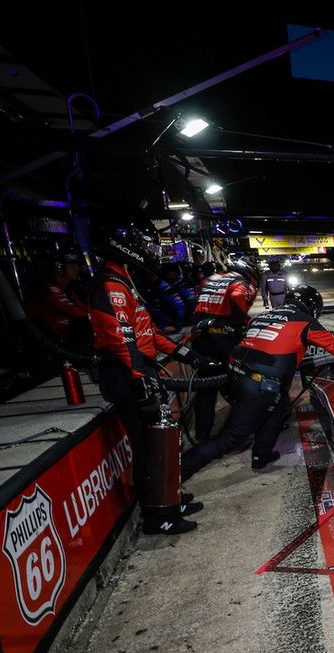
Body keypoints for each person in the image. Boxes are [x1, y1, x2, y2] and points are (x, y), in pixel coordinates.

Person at [88, 214, 213, 534]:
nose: (149, 250)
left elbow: (149, 332)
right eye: (143, 244)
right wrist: (138, 376)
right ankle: (157, 516)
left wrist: (188, 354)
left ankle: (170, 498)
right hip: (126, 373)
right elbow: (121, 337)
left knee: (164, 438)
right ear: (123, 244)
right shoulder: (109, 283)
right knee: (147, 446)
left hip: (139, 368)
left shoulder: (126, 279)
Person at [180, 285, 334, 481]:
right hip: (259, 385)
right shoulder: (305, 321)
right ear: (313, 306)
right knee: (230, 439)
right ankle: (175, 477)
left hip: (236, 376)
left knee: (280, 407)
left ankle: (261, 455)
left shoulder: (264, 315)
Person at [188, 258, 259, 440]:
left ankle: (203, 432)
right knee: (241, 379)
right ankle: (240, 428)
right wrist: (241, 322)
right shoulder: (242, 283)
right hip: (221, 338)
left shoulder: (211, 279)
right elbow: (236, 297)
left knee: (206, 386)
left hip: (199, 336)